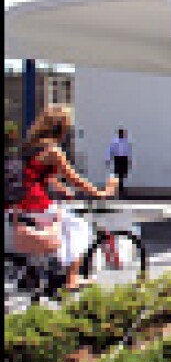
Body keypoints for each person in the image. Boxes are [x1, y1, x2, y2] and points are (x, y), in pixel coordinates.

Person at [7, 105, 118, 292]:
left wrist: (62, 189)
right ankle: (72, 278)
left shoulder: (31, 145)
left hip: (18, 202)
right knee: (79, 227)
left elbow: (41, 175)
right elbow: (74, 178)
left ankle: (46, 271)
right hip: (35, 203)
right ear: (62, 127)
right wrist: (101, 192)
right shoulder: (53, 150)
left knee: (62, 222)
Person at [106, 128, 132, 197]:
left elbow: (128, 150)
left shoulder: (126, 141)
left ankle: (121, 186)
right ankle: (117, 187)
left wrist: (129, 159)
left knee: (123, 173)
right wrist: (108, 158)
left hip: (124, 158)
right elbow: (111, 150)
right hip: (117, 158)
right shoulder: (115, 141)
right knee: (117, 172)